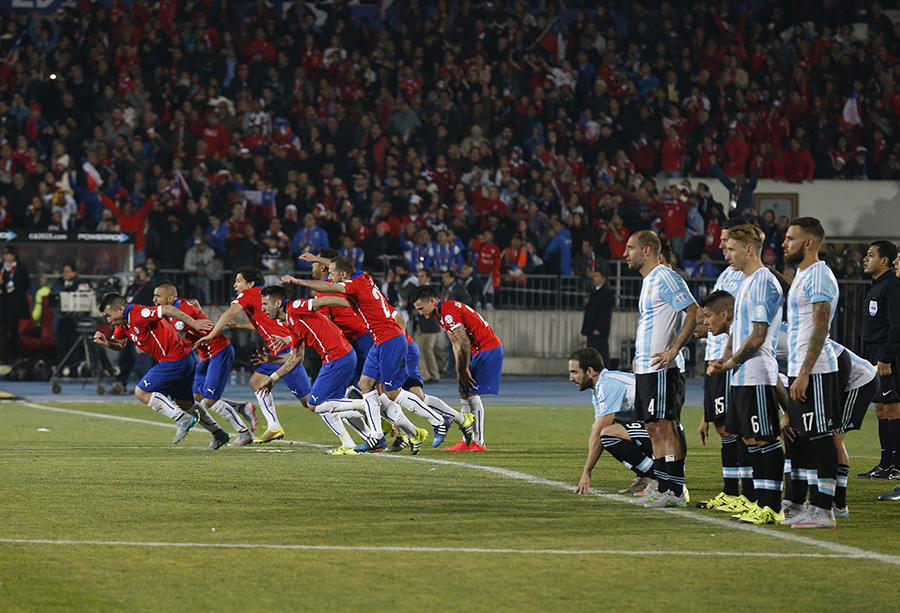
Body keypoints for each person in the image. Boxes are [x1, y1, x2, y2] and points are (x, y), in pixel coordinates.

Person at [283, 256, 431, 452]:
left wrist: (297, 280)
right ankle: (397, 432)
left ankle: (410, 427)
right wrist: (317, 258)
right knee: (368, 389)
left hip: (360, 343)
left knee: (369, 393)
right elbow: (342, 269)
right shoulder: (361, 279)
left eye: (314, 265)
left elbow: (327, 315)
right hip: (366, 340)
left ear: (327, 271)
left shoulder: (331, 290)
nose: (311, 267)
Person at [706, 225, 785, 525]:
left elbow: (758, 335)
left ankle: (771, 506)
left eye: (731, 249)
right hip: (740, 375)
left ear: (749, 249)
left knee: (765, 439)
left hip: (757, 373)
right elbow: (737, 332)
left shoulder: (765, 281)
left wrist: (731, 362)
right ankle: (757, 502)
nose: (726, 254)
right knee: (751, 439)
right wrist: (724, 359)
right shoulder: (746, 282)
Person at [92, 293, 230, 449]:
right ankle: (218, 433)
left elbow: (167, 309)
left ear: (121, 309)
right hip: (184, 357)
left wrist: (194, 324)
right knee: (185, 403)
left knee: (141, 392)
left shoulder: (139, 314)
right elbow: (120, 344)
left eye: (109, 315)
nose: (108, 320)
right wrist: (107, 342)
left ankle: (181, 419)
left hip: (175, 360)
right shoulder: (122, 323)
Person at [624, 230, 697, 508]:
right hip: (646, 367)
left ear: (647, 250)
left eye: (630, 248)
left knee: (666, 427)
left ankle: (675, 491)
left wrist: (674, 349)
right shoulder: (650, 281)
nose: (625, 254)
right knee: (652, 428)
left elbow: (692, 311)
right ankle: (664, 486)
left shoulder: (665, 276)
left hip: (663, 369)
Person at [196, 266, 311, 444]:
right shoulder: (261, 297)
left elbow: (231, 311)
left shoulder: (249, 294)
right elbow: (261, 322)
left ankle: (353, 405)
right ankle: (274, 427)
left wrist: (211, 334)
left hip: (286, 352)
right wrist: (239, 326)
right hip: (277, 351)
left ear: (250, 283)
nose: (235, 285)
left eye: (239, 281)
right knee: (256, 382)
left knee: (311, 403)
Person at [779, 217, 841, 528]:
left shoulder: (819, 275)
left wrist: (804, 373)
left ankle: (824, 510)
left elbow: (820, 326)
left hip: (814, 370)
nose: (783, 243)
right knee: (799, 439)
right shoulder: (803, 275)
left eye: (790, 238)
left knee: (818, 437)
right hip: (800, 369)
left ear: (808, 243)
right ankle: (802, 504)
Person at [256, 285, 365, 456]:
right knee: (329, 405)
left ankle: (366, 405)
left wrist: (354, 304)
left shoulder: (295, 308)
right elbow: (296, 357)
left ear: (278, 303)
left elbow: (323, 301)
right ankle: (351, 443)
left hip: (337, 357)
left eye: (264, 304)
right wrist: (273, 378)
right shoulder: (290, 323)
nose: (262, 309)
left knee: (314, 404)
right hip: (340, 356)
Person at [695, 217, 753, 513]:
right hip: (716, 357)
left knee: (737, 429)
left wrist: (728, 359)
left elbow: (742, 324)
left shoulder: (752, 277)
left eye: (727, 241)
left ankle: (744, 494)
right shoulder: (727, 274)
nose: (721, 246)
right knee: (722, 426)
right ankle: (734, 493)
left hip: (731, 361)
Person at [152, 283, 256, 446]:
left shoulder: (179, 317)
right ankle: (240, 410)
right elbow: (192, 302)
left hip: (219, 352)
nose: (154, 300)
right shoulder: (178, 306)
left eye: (158, 296)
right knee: (196, 397)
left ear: (170, 298)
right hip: (206, 355)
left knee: (210, 401)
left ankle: (244, 433)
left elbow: (179, 344)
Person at [411, 283, 504, 452]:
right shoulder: (442, 314)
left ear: (432, 301)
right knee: (463, 389)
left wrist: (465, 369)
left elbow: (464, 341)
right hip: (478, 350)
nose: (420, 312)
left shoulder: (448, 312)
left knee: (472, 391)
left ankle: (478, 442)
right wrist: (460, 370)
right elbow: (455, 344)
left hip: (487, 349)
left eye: (421, 308)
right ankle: (467, 439)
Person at [569, 347, 655, 496]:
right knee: (607, 432)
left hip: (666, 434)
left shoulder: (607, 384)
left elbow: (600, 431)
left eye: (574, 372)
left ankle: (659, 477)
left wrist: (587, 472)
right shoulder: (599, 385)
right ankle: (646, 476)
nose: (571, 378)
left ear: (590, 371)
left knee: (608, 434)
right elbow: (596, 428)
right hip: (656, 430)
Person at [858, 240, 900, 482]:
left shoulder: (892, 286)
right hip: (874, 353)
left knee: (893, 407)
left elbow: (896, 325)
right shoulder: (877, 286)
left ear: (883, 260)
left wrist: (885, 358)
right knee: (882, 410)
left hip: (886, 354)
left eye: (870, 255)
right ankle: (886, 463)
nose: (865, 258)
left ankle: (897, 465)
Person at [0, 245, 30, 365]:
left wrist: (12, 281)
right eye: (5, 254)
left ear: (14, 256)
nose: (7, 257)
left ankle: (14, 357)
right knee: (3, 332)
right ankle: (4, 357)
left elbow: (26, 284)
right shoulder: (1, 267)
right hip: (2, 306)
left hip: (15, 306)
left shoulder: (20, 268)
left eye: (10, 254)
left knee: (14, 332)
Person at [49, 263, 83, 368]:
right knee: (61, 347)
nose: (65, 274)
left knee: (74, 346)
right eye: (64, 271)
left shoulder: (80, 285)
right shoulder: (57, 285)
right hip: (61, 320)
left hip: (75, 320)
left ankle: (73, 369)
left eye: (68, 271)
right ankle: (60, 369)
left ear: (74, 273)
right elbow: (52, 300)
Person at [581, 266, 614, 368]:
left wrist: (599, 328)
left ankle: (605, 371)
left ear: (603, 279)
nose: (594, 278)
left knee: (601, 352)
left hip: (598, 329)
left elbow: (605, 312)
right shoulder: (595, 291)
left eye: (597, 276)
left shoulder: (606, 293)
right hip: (592, 328)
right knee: (592, 353)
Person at [414, 269, 441, 383]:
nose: (419, 278)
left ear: (428, 278)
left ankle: (434, 374)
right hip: (420, 324)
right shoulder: (417, 290)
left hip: (430, 324)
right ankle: (425, 375)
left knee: (428, 350)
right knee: (419, 350)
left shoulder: (432, 290)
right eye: (419, 276)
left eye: (422, 276)